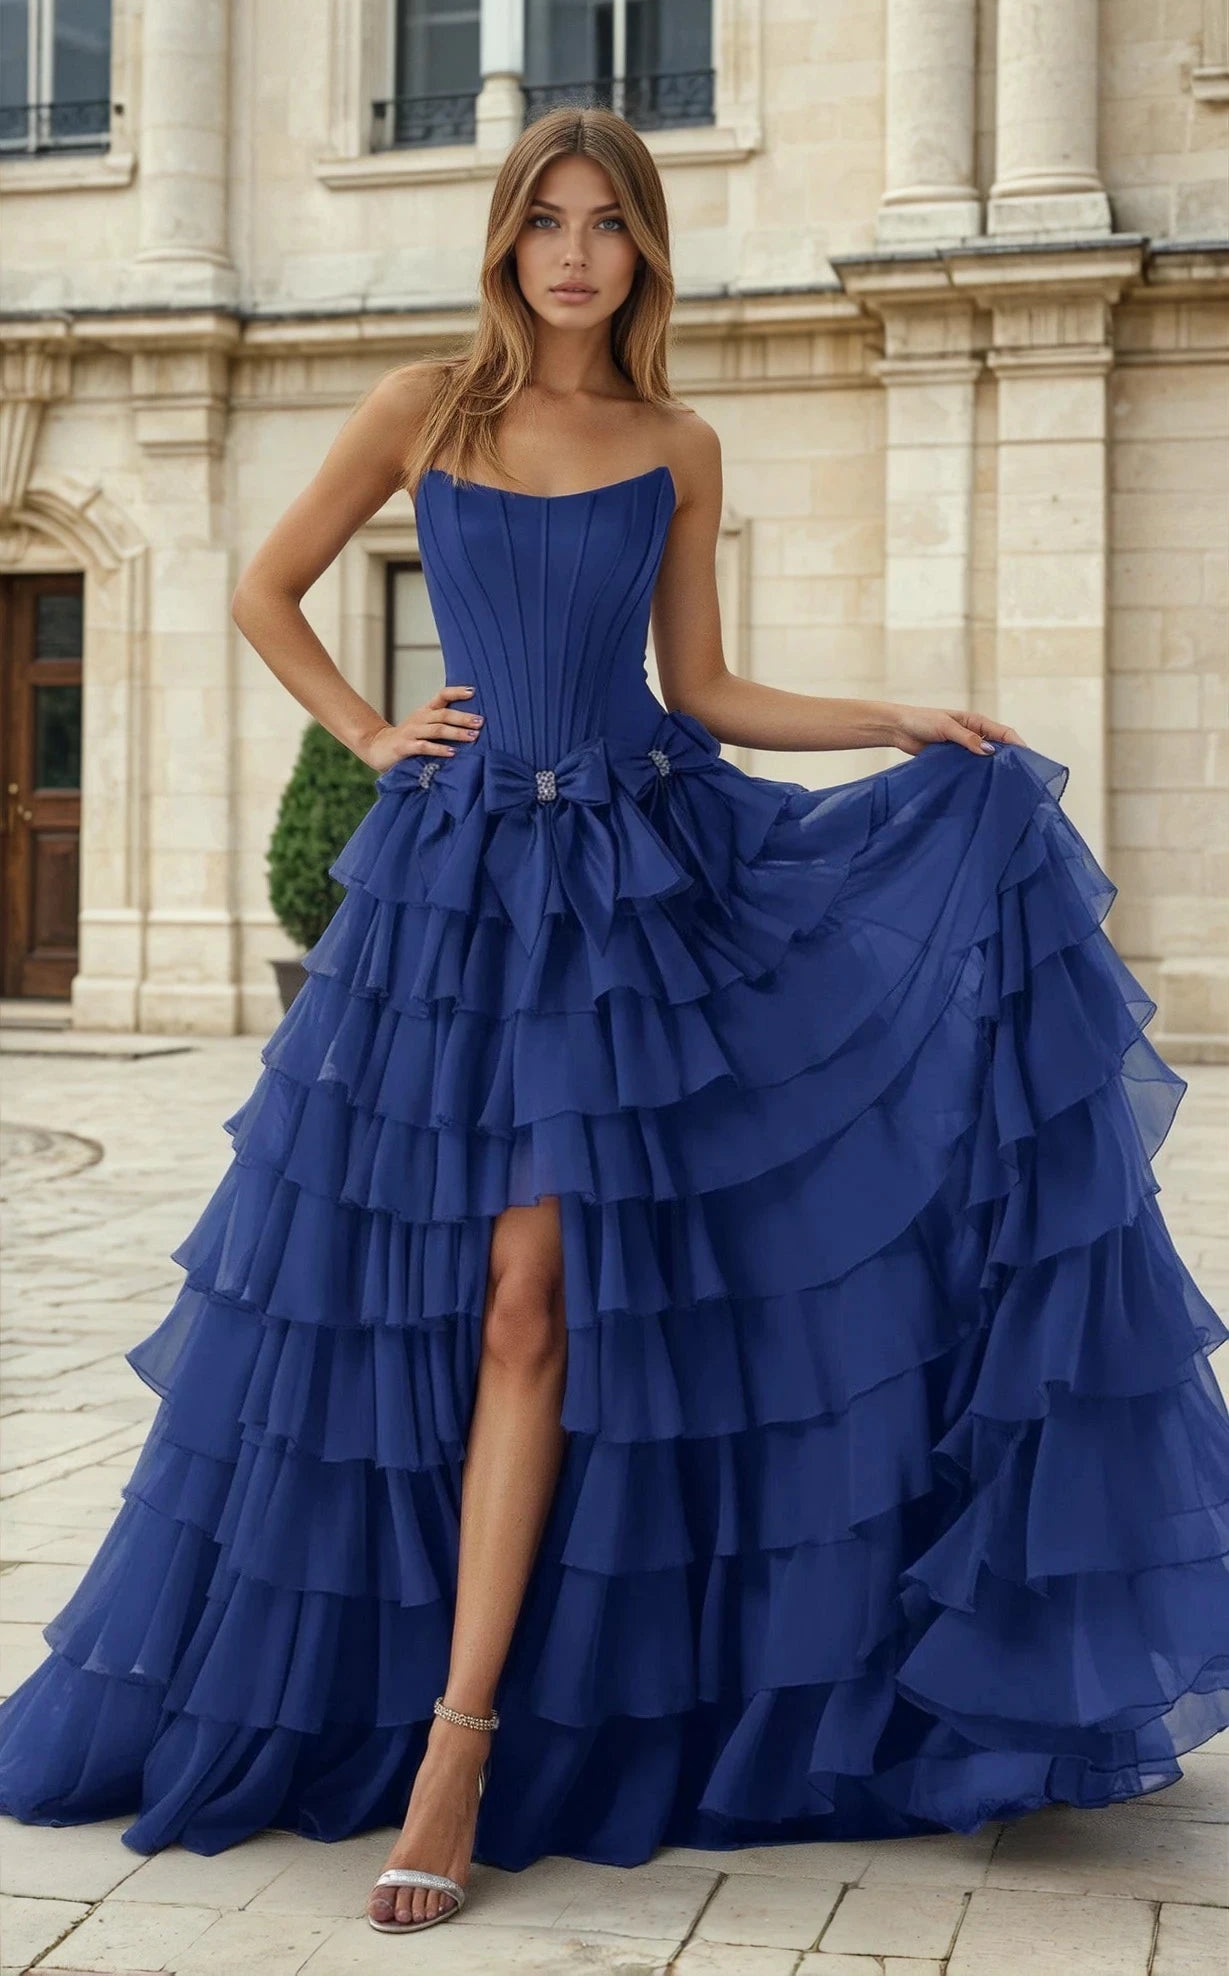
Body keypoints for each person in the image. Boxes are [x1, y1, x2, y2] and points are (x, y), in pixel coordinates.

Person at [1, 106, 1227, 1940]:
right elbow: (262, 589)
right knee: (455, 1305)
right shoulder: (428, 409)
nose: (575, 252)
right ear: (502, 240)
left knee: (542, 1302)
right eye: (545, 221)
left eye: (607, 225)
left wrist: (899, 722)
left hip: (643, 887)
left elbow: (705, 686)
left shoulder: (677, 440)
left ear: (643, 252)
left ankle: (466, 1741)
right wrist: (365, 731)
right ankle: (431, 1724)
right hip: (459, 899)